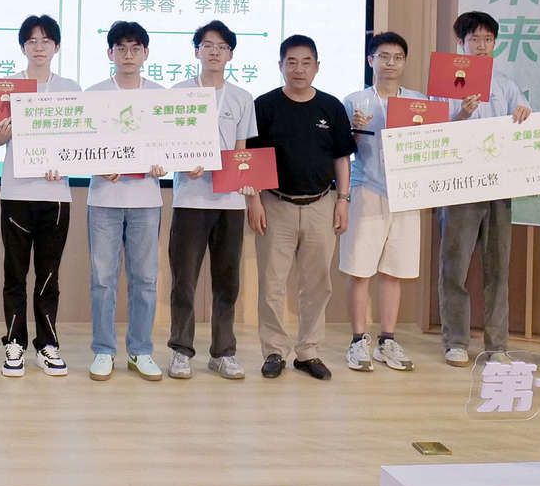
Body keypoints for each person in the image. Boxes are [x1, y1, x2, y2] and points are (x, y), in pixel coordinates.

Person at [246, 34, 353, 381]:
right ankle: (274, 350)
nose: (298, 69)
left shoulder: (331, 107)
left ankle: (308, 351)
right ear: (280, 66)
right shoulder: (264, 106)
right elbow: (250, 159)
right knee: (272, 284)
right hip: (275, 204)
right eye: (291, 62)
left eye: (306, 62)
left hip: (322, 204)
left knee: (317, 284)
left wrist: (343, 200)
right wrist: (254, 201)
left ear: (317, 67)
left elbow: (341, 158)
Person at [436, 10, 532, 367]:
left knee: (498, 268)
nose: (481, 45)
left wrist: (522, 117)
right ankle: (456, 341)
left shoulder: (506, 85)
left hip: (499, 184)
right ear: (460, 43)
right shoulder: (444, 83)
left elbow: (525, 126)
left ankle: (497, 346)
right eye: (474, 39)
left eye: (487, 39)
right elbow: (432, 132)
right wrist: (461, 114)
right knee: (454, 266)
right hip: (458, 184)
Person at [0, 15, 78, 377]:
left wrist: (63, 164)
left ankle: (47, 344)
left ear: (57, 47)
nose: (39, 47)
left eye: (46, 41)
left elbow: (80, 139)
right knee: (15, 273)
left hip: (56, 194)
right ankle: (14, 343)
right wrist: (2, 133)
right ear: (23, 47)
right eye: (32, 41)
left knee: (48, 275)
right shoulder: (7, 87)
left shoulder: (69, 88)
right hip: (16, 192)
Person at [165, 20, 256, 380]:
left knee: (227, 281)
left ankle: (223, 352)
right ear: (196, 52)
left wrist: (243, 181)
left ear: (230, 54)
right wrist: (182, 164)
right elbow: (167, 144)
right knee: (183, 280)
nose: (214, 52)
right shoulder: (179, 93)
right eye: (207, 45)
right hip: (190, 200)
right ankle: (180, 350)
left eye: (222, 47)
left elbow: (241, 151)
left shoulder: (242, 98)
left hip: (230, 203)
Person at [85, 20, 169, 381]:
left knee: (145, 279)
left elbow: (172, 146)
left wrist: (165, 163)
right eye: (121, 48)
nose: (128, 55)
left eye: (135, 48)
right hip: (104, 199)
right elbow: (79, 147)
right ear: (110, 53)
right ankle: (104, 350)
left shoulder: (161, 97)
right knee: (103, 280)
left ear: (146, 53)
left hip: (147, 200)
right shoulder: (94, 95)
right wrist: (97, 165)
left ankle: (140, 350)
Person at [338, 31, 423, 374]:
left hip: (407, 193)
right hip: (366, 190)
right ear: (370, 60)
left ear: (404, 62)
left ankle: (387, 339)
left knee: (394, 271)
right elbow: (341, 150)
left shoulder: (418, 101)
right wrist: (353, 130)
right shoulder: (355, 101)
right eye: (384, 56)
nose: (391, 63)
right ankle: (358, 340)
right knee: (360, 270)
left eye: (398, 57)